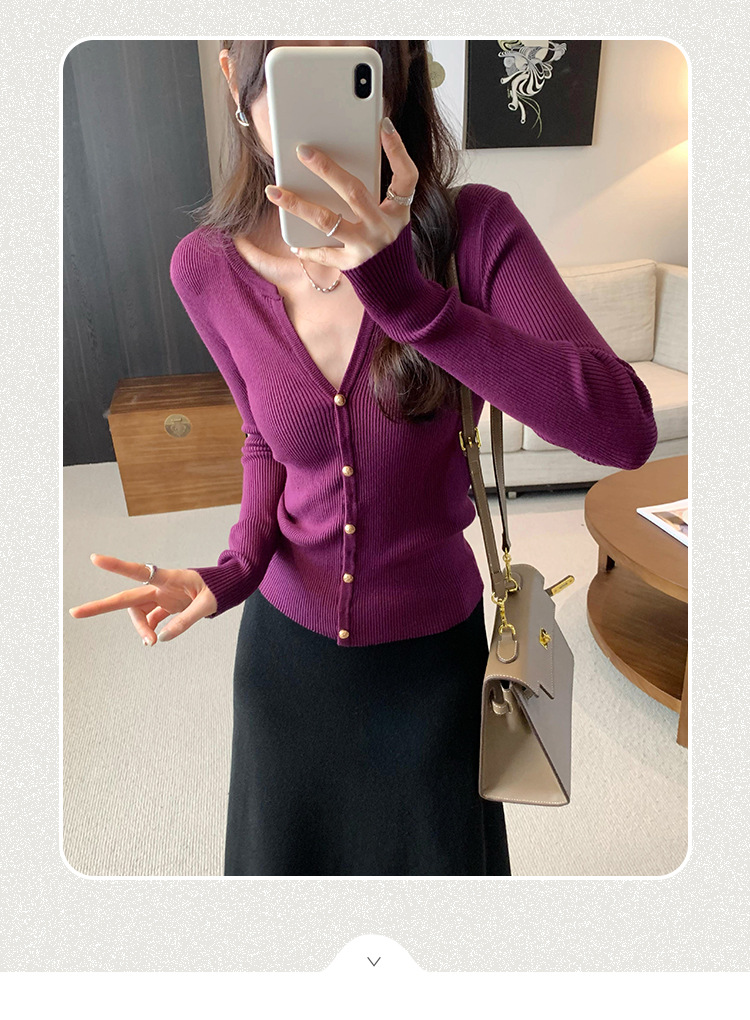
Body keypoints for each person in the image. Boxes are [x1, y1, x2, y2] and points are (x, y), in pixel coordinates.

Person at [69, 39, 658, 877]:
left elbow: (625, 430)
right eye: (287, 71)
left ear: (393, 76)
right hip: (286, 668)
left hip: (433, 667)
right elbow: (263, 440)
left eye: (350, 62)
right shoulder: (205, 269)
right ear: (236, 75)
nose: (315, 118)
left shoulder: (475, 231)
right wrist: (229, 572)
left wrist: (408, 298)